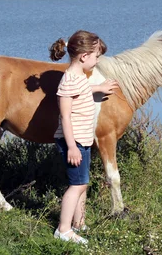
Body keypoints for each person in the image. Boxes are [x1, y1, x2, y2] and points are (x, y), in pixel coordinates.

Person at [49, 30, 118, 245]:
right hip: (74, 141)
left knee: (82, 183)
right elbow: (65, 117)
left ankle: (79, 223)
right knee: (76, 186)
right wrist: (71, 147)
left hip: (83, 140)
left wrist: (99, 88)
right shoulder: (69, 81)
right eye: (96, 56)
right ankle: (64, 229)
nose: (98, 61)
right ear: (83, 56)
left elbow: (83, 88)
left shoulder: (78, 78)